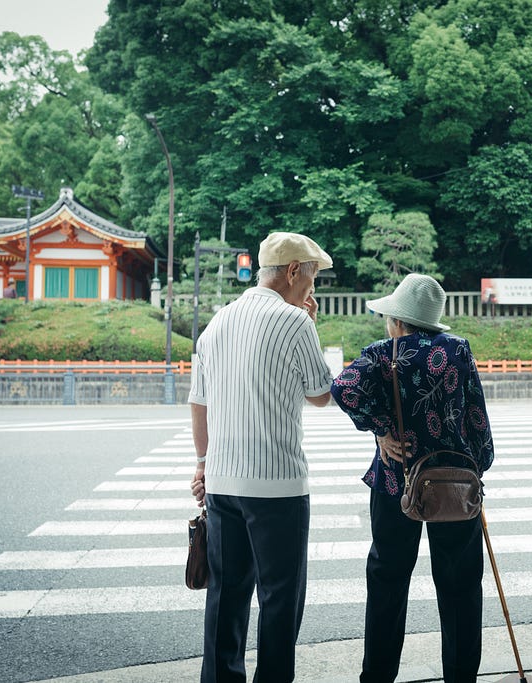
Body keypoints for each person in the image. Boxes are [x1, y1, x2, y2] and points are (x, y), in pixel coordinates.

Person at [330, 273, 495, 682]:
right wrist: (480, 464)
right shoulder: (457, 350)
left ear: (399, 321)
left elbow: (342, 388)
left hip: (396, 482)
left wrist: (382, 429)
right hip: (456, 484)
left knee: (388, 581)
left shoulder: (383, 353)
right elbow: (477, 416)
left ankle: (378, 677)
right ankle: (460, 677)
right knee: (460, 587)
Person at [188, 231, 334, 682]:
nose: (313, 289)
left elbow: (199, 401)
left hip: (223, 483)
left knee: (226, 596)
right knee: (279, 598)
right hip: (277, 486)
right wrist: (309, 323)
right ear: (293, 272)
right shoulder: (295, 322)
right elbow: (321, 394)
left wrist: (202, 465)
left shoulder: (217, 322)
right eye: (312, 278)